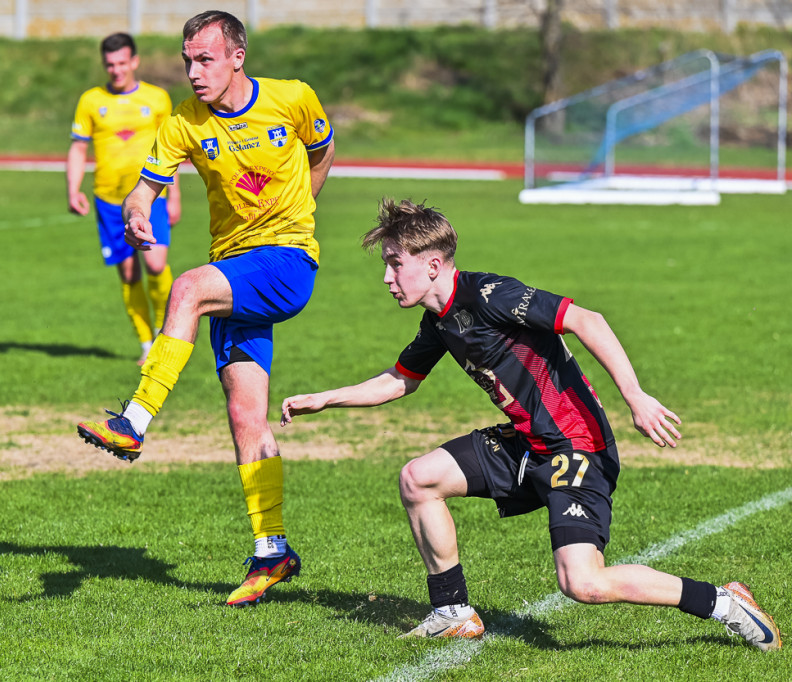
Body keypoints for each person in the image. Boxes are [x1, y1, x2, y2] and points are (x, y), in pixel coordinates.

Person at [279, 198, 781, 650]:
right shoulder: (439, 321)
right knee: (419, 479)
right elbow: (400, 380)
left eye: (395, 264)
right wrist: (325, 399)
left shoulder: (491, 294)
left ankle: (724, 602)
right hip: (526, 444)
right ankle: (453, 612)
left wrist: (636, 397)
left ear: (432, 265)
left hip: (576, 447)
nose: (388, 278)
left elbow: (587, 320)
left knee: (583, 583)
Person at [76, 11, 335, 608]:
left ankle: (133, 423)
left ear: (237, 57)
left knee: (186, 287)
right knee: (246, 416)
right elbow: (144, 188)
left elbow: (321, 151)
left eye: (206, 59)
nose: (194, 72)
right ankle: (272, 551)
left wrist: (300, 213)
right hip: (234, 270)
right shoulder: (184, 122)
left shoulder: (293, 98)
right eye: (187, 60)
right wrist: (137, 212)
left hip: (287, 261)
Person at [67, 33, 182, 366]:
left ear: (134, 61)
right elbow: (78, 148)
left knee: (155, 264)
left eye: (121, 63)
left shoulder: (157, 98)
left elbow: (170, 153)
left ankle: (165, 333)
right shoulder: (91, 101)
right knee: (129, 274)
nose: (116, 70)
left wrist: (174, 196)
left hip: (151, 198)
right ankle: (146, 343)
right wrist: (73, 189)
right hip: (109, 201)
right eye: (110, 64)